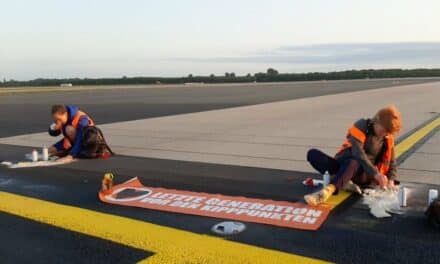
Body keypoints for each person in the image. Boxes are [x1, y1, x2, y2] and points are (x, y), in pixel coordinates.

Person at [304, 105, 402, 206]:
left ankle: (328, 191)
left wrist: (391, 180)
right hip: (343, 163)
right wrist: (376, 174)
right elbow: (358, 152)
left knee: (354, 162)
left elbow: (392, 161)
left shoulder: (387, 138)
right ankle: (345, 181)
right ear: (377, 121)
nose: (384, 134)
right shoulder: (362, 126)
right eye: (383, 130)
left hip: (363, 173)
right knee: (312, 154)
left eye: (387, 132)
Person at [48, 104, 112, 161]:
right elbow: (53, 133)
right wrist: (53, 128)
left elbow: (80, 137)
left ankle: (76, 151)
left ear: (65, 114)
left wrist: (71, 155)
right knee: (51, 150)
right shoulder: (63, 119)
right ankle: (71, 151)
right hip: (75, 142)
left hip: (89, 142)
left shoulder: (81, 118)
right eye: (56, 120)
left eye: (59, 119)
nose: (58, 122)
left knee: (69, 129)